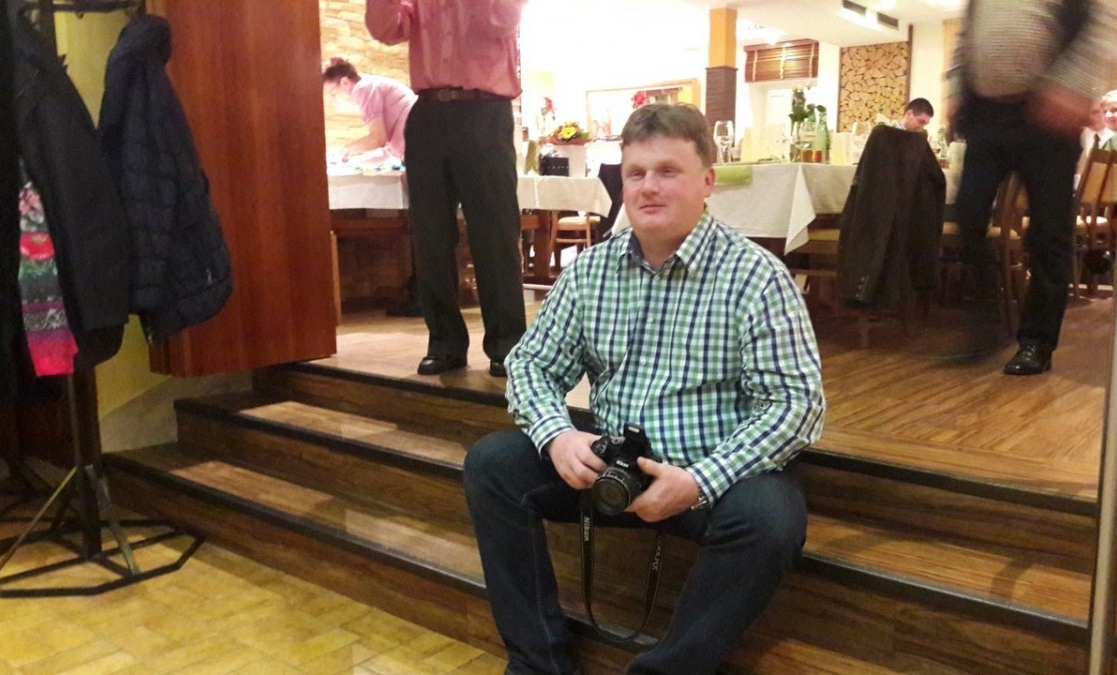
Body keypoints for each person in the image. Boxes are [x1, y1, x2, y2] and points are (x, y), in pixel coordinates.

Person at [462, 104, 824, 675]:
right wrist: (558, 436)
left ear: (708, 181)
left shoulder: (756, 276)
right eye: (636, 173)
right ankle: (538, 663)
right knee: (492, 465)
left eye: (668, 171)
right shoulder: (591, 271)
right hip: (612, 468)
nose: (649, 187)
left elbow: (796, 405)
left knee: (770, 519)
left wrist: (701, 480)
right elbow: (530, 364)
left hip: (710, 476)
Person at [948, 0, 1117, 375]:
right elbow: (967, 37)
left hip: (1049, 117)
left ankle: (1037, 343)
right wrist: (956, 88)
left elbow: (1096, 29)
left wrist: (1072, 88)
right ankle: (987, 324)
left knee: (1049, 235)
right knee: (968, 215)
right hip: (987, 115)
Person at [365, 0, 527, 378]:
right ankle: (444, 343)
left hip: (485, 110)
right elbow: (385, 29)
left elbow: (501, 20)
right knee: (430, 236)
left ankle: (507, 345)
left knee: (495, 232)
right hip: (427, 113)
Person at [321, 57, 415, 163]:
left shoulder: (362, 89)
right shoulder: (369, 84)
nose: (334, 98)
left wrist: (346, 150)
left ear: (345, 82)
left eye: (333, 93)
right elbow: (386, 148)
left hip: (416, 144)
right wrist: (357, 160)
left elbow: (378, 139)